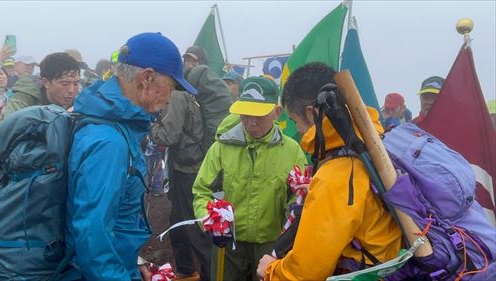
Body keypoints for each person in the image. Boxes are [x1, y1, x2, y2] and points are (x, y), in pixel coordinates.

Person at [64, 32, 196, 280]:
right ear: (147, 77)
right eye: (172, 87)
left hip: (115, 265)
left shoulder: (115, 125)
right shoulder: (109, 142)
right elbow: (92, 234)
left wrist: (133, 259)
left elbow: (113, 218)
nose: (170, 98)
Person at [257, 62, 402, 280]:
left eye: (295, 121)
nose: (298, 130)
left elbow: (305, 273)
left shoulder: (336, 175)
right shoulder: (370, 144)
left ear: (312, 112)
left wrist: (270, 270)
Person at [193, 76, 307, 281]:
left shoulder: (292, 151)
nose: (251, 123)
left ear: (276, 112)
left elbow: (298, 198)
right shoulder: (221, 147)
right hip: (227, 245)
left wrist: (286, 235)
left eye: (259, 116)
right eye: (245, 115)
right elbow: (202, 191)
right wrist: (210, 221)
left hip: (270, 246)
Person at [150, 90, 211, 281]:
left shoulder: (177, 95)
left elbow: (168, 135)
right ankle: (186, 269)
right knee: (178, 221)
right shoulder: (191, 94)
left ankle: (208, 273)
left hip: (187, 169)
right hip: (186, 166)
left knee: (192, 224)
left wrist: (150, 126)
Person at [2, 52, 80, 119]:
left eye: (76, 84)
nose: (71, 90)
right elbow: (10, 130)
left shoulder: (79, 103)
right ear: (46, 82)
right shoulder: (25, 97)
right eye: (64, 84)